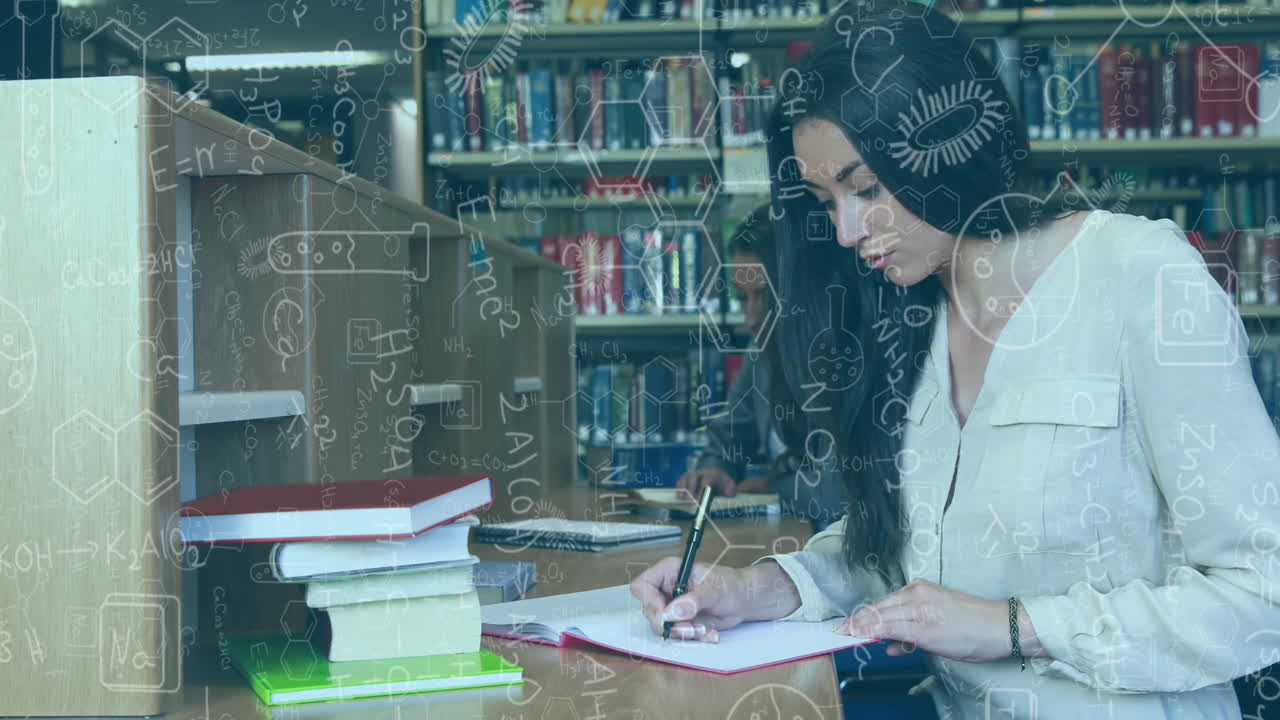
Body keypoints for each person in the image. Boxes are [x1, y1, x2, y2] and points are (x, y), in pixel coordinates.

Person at [631, 2, 1280, 718]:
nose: (848, 232)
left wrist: (1014, 625)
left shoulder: (1138, 275)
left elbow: (1264, 591)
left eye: (867, 188)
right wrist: (757, 588)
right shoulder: (906, 315)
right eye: (826, 201)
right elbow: (898, 545)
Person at [676, 205, 845, 529]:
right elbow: (730, 437)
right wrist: (715, 469)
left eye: (765, 298)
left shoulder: (847, 359)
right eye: (741, 298)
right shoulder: (762, 351)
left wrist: (772, 489)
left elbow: (837, 493)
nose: (750, 318)